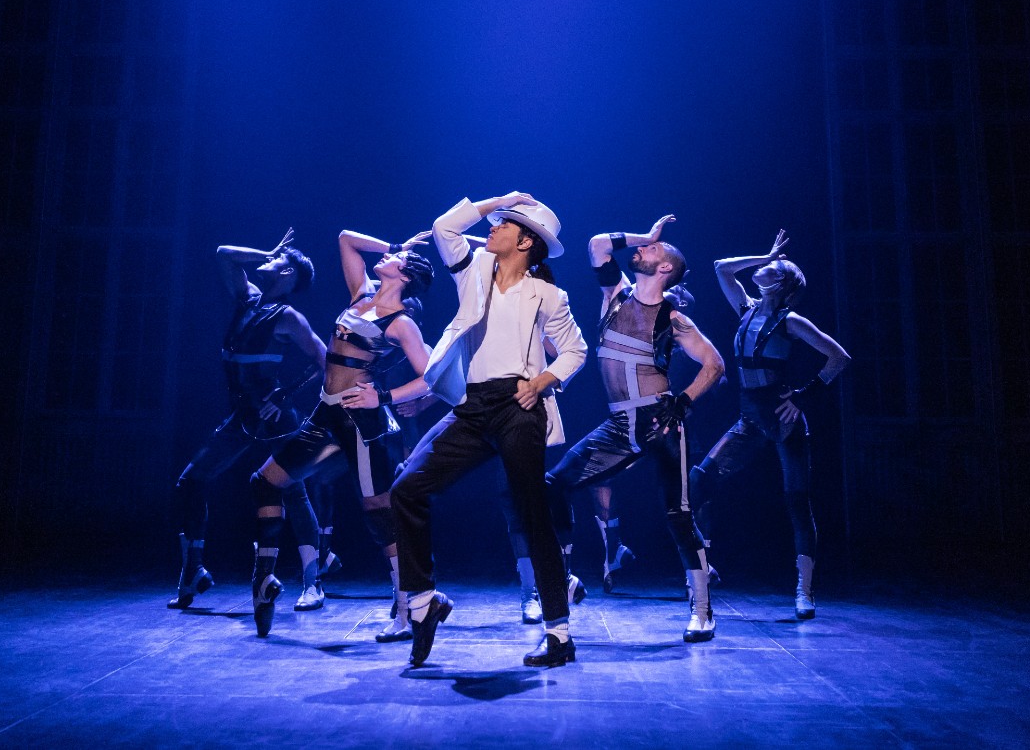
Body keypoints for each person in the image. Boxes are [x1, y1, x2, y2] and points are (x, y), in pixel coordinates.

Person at [383, 192, 587, 668]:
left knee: (532, 512)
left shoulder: (548, 295)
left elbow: (575, 351)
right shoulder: (473, 270)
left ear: (526, 241)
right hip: (473, 406)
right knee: (406, 488)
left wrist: (541, 382)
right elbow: (444, 227)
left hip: (519, 404)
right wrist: (503, 199)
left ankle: (558, 634)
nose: (493, 227)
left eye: (504, 222)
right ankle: (422, 602)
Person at [241, 229, 437, 638]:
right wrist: (395, 247)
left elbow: (431, 377)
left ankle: (407, 607)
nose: (389, 255)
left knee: (378, 512)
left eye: (396, 258)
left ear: (404, 276)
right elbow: (346, 238)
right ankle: (264, 577)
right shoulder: (361, 294)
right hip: (325, 413)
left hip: (359, 421)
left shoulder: (401, 323)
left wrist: (383, 396)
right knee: (264, 481)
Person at [545, 216, 726, 643]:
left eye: (652, 250)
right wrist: (646, 235)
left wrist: (683, 401)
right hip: (618, 424)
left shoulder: (673, 318)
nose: (642, 249)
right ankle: (563, 580)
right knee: (554, 485)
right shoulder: (615, 294)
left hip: (659, 423)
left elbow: (714, 363)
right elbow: (597, 243)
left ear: (665, 269)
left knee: (678, 513)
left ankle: (702, 610)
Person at [691, 230, 849, 619]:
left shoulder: (789, 321)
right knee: (699, 479)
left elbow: (838, 357)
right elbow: (721, 267)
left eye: (775, 266)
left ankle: (805, 589)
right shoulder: (746, 309)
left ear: (781, 283)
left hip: (781, 416)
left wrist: (803, 396)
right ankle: (704, 566)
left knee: (797, 501)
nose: (768, 266)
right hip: (749, 417)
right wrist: (765, 255)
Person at [169, 231, 327, 610]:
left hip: (275, 419)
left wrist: (286, 393)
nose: (267, 261)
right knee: (190, 481)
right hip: (242, 416)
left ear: (287, 273)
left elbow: (324, 359)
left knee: (293, 492)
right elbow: (224, 253)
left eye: (276, 259)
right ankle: (193, 570)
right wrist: (269, 249)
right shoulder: (248, 299)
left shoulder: (288, 318)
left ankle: (313, 584)